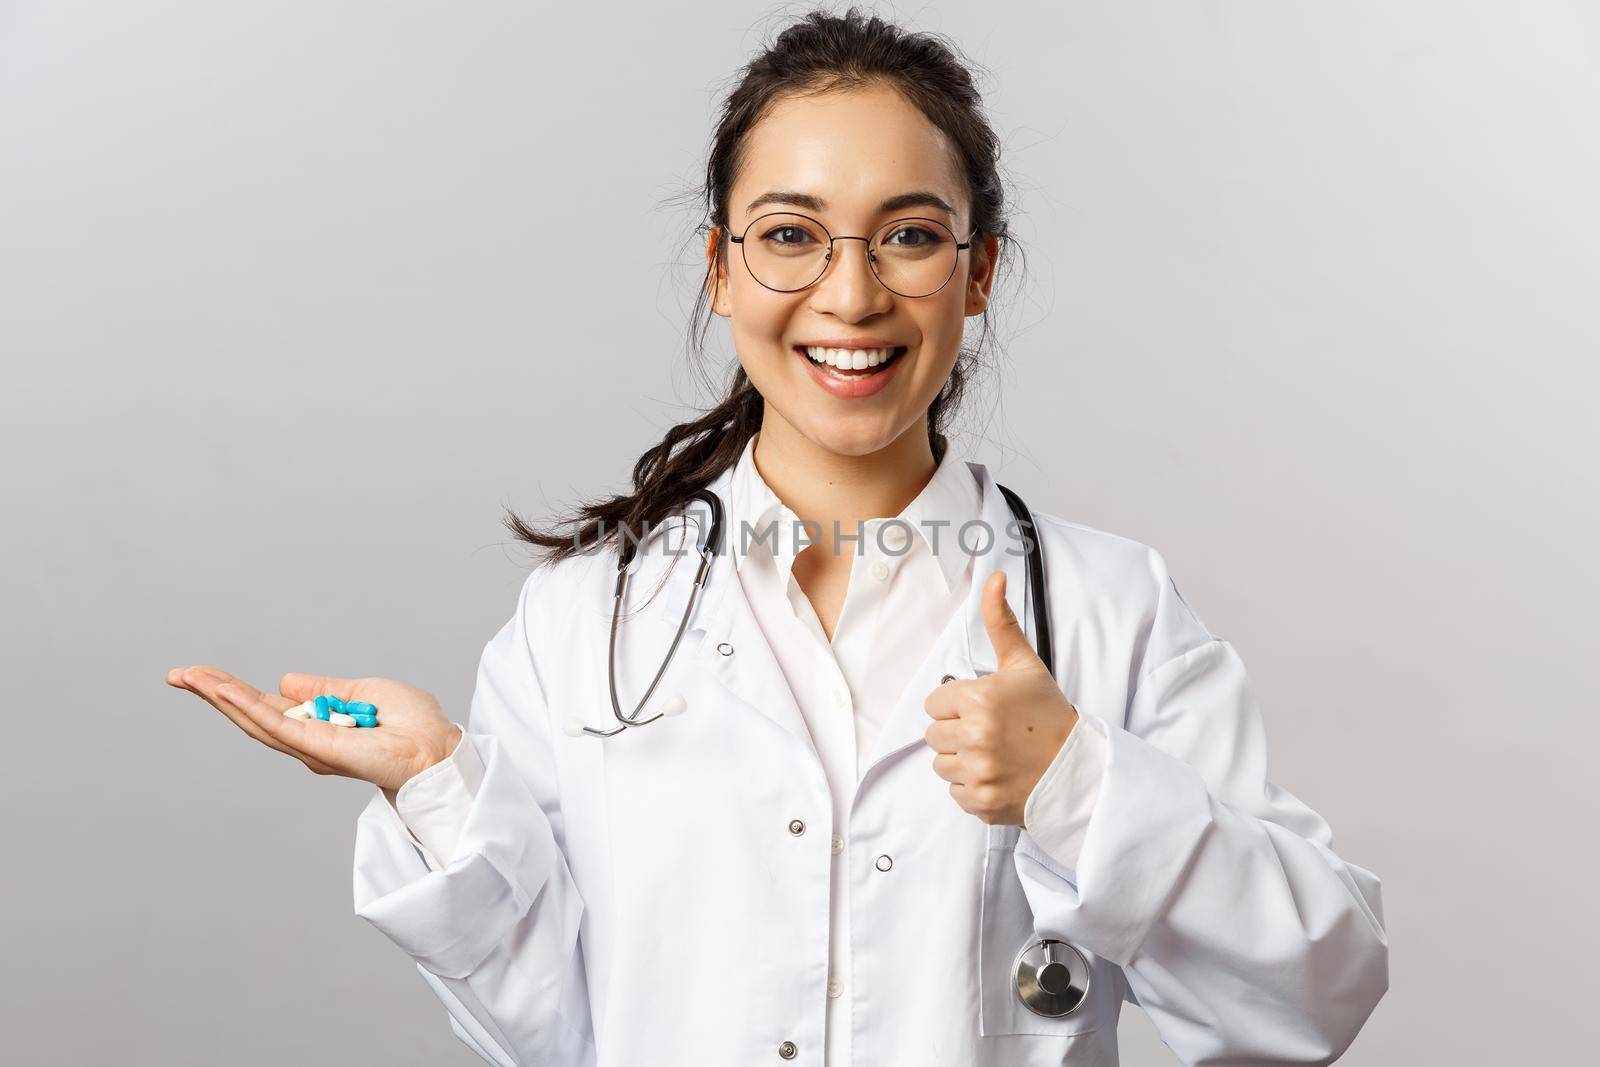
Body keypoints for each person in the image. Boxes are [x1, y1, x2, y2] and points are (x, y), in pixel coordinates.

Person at [166, 9, 1388, 1064]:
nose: (850, 297)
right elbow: (557, 1030)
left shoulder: (1105, 608)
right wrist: (436, 780)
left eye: (909, 235)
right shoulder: (588, 619)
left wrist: (1078, 781)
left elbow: (1312, 996)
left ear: (978, 273)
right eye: (791, 233)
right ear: (720, 266)